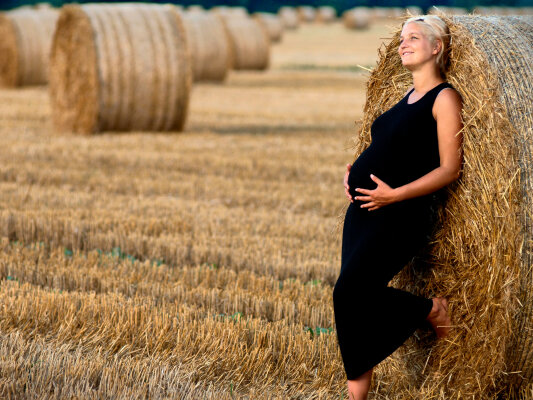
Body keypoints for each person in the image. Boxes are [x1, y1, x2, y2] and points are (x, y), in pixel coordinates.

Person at [333, 15, 463, 400]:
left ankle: (431, 310)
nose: (403, 43)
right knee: (354, 302)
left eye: (414, 37)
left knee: (348, 294)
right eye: (402, 37)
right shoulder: (403, 99)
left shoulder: (444, 98)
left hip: (400, 214)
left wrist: (396, 194)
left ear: (436, 48)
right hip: (363, 213)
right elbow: (387, 149)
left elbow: (449, 168)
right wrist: (354, 171)